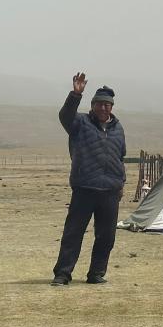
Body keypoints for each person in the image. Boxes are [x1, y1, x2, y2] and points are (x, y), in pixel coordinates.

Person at [51, 72, 126, 286]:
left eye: (107, 105)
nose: (103, 108)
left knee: (106, 237)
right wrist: (76, 94)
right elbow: (65, 116)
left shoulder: (118, 129)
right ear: (93, 105)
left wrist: (121, 184)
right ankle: (63, 274)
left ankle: (96, 274)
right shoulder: (80, 123)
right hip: (85, 187)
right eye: (99, 104)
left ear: (111, 107)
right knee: (73, 234)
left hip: (110, 191)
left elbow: (119, 157)